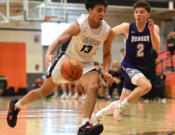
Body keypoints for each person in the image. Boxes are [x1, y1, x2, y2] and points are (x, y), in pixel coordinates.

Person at [7, 0, 114, 135]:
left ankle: (85, 125)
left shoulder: (106, 30)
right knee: (43, 92)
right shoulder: (80, 25)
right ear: (91, 10)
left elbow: (107, 53)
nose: (102, 13)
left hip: (86, 64)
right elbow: (60, 39)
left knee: (94, 85)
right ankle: (17, 106)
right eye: (99, 10)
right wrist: (48, 52)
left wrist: (105, 70)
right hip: (68, 61)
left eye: (104, 11)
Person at [92, 0, 160, 124]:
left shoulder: (153, 28)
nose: (138, 14)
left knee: (122, 99)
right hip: (128, 66)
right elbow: (110, 32)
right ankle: (122, 106)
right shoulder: (127, 27)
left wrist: (151, 33)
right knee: (147, 86)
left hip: (140, 69)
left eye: (142, 12)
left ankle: (98, 115)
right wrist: (98, 41)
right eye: (136, 12)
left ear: (148, 14)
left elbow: (156, 46)